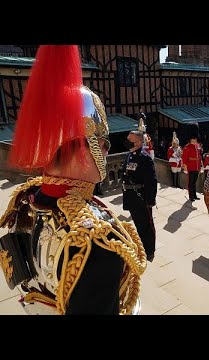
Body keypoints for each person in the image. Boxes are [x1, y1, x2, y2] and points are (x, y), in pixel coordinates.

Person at [0, 45, 146, 315]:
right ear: (81, 149)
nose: (106, 149)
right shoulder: (95, 243)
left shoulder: (24, 200)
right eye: (102, 143)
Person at [122, 129, 158, 263]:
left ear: (137, 142)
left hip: (142, 197)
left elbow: (152, 181)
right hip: (131, 196)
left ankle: (149, 251)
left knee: (147, 226)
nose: (126, 142)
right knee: (138, 224)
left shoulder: (144, 157)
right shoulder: (130, 155)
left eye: (129, 140)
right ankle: (141, 247)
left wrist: (150, 200)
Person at [182, 122, 202, 202]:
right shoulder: (187, 147)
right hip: (190, 166)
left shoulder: (197, 146)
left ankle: (194, 195)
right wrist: (185, 167)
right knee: (190, 182)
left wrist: (200, 167)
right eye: (193, 139)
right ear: (190, 139)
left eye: (195, 139)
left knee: (194, 182)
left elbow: (199, 157)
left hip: (196, 166)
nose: (194, 140)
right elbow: (185, 158)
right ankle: (191, 196)